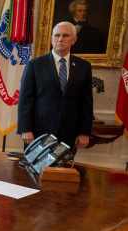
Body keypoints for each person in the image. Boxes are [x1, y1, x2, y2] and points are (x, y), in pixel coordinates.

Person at [18, 21, 93, 150]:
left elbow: (86, 102)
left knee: (63, 170)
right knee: (38, 170)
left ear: (74, 40)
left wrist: (85, 132)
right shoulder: (35, 65)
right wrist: (25, 129)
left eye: (65, 36)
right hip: (38, 133)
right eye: (57, 35)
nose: (60, 39)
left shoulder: (83, 67)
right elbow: (25, 100)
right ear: (52, 38)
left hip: (69, 134)